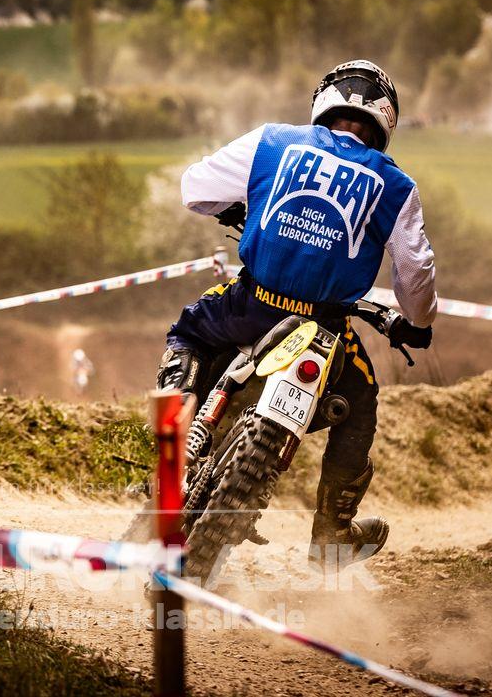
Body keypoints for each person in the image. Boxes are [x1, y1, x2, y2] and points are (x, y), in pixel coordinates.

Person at [157, 59, 437, 568]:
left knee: (190, 333)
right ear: (386, 120)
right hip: (326, 328)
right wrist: (417, 323)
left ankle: (171, 452)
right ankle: (331, 534)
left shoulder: (272, 141)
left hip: (252, 305)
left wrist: (236, 206)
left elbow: (195, 189)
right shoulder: (396, 186)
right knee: (360, 402)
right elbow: (415, 273)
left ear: (324, 101)